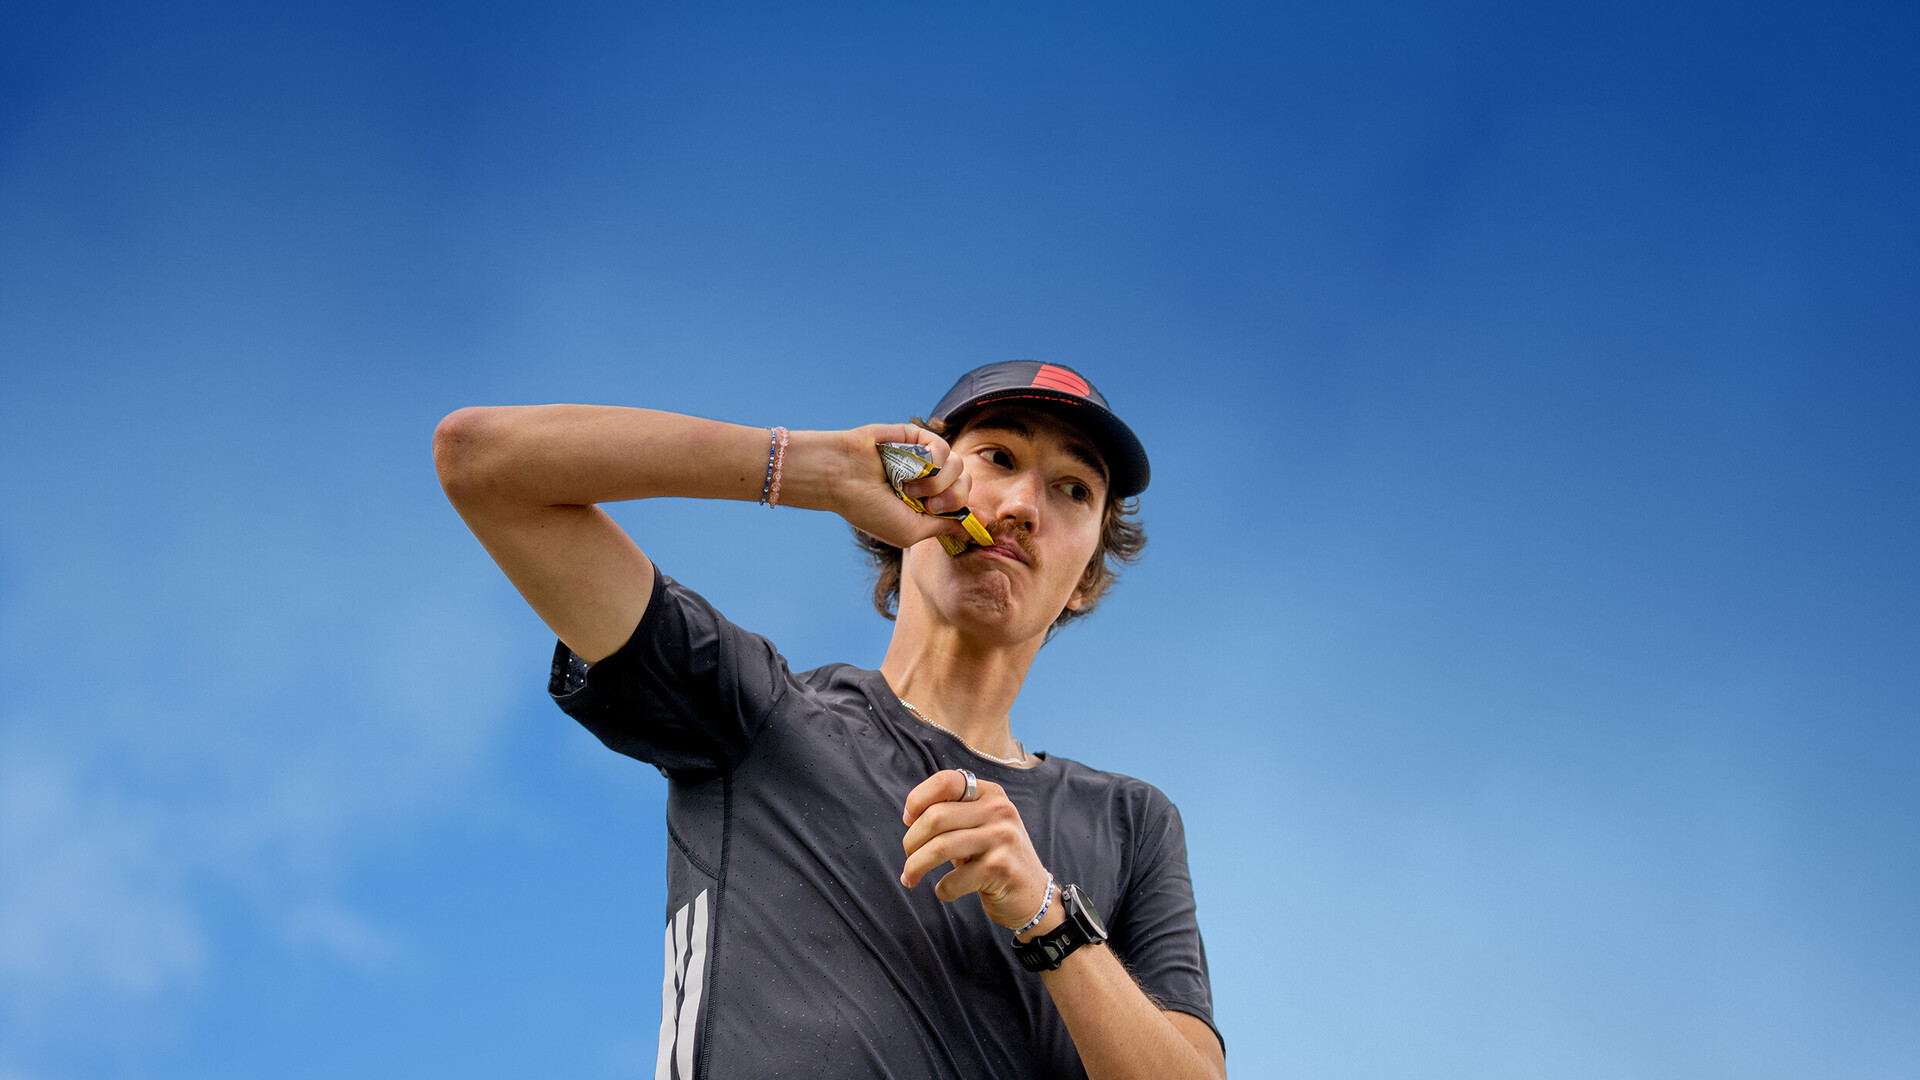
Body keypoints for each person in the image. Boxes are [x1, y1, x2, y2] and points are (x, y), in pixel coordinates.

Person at [433, 361, 1223, 1079]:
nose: (1020, 506)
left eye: (1074, 490)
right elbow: (478, 460)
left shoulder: (1131, 824)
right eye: (997, 458)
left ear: (1086, 577)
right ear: (917, 485)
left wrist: (1046, 917)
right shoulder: (754, 712)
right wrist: (813, 468)